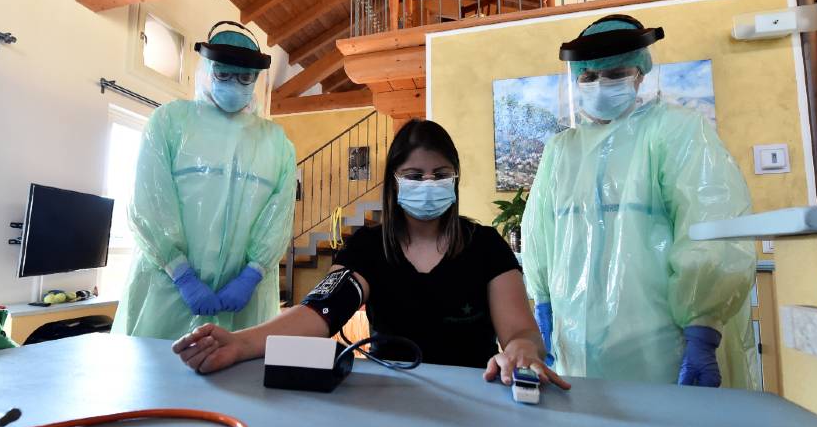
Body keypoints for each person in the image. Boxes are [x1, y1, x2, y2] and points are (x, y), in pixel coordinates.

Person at [172, 119, 570, 389]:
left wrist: (522, 349)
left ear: (455, 179)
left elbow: (521, 333)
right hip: (389, 395)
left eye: (440, 175)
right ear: (394, 183)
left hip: (476, 395)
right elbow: (319, 313)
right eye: (414, 176)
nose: (428, 184)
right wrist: (241, 343)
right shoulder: (367, 246)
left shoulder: (485, 245)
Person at [521, 14, 757, 388]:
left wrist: (703, 324)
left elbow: (710, 221)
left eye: (615, 73)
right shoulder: (561, 151)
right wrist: (543, 303)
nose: (600, 84)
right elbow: (539, 233)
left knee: (661, 423)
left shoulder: (675, 130)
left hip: (659, 343)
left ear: (640, 74)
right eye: (588, 76)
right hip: (573, 341)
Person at [113, 22, 296, 340]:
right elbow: (150, 202)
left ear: (256, 78)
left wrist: (252, 274)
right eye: (223, 74)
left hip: (244, 305)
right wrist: (180, 273)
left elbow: (278, 215)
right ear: (207, 70)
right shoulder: (170, 122)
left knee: (238, 368)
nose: (234, 83)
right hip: (166, 295)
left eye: (245, 77)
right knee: (156, 368)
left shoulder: (276, 142)